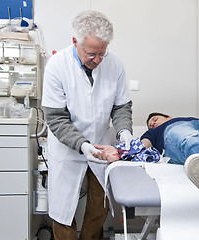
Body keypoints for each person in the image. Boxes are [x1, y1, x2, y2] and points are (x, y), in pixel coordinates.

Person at [41, 11, 134, 240]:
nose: (98, 60)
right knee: (63, 212)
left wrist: (125, 134)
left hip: (102, 146)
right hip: (67, 148)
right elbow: (56, 118)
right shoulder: (56, 66)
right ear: (75, 42)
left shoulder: (115, 64)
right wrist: (82, 145)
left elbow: (121, 106)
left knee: (98, 207)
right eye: (91, 54)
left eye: (103, 53)